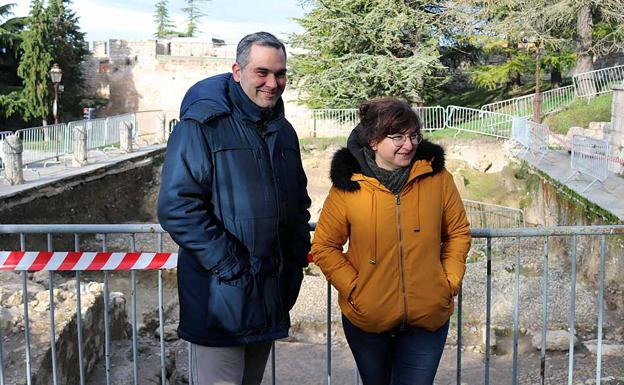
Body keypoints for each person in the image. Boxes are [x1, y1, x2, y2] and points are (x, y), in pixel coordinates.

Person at [157, 31, 311, 385]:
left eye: (280, 73)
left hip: (269, 295)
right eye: (262, 72)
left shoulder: (283, 132)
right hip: (220, 299)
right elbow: (177, 207)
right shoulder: (201, 126)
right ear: (237, 71)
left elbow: (298, 205)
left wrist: (295, 264)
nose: (273, 83)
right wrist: (230, 267)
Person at [311, 97, 471, 385]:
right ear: (373, 141)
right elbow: (324, 246)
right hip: (368, 320)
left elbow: (458, 233)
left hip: (428, 316)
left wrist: (448, 282)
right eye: (396, 137)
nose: (408, 144)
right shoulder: (349, 186)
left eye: (413, 135)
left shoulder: (437, 178)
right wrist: (356, 289)